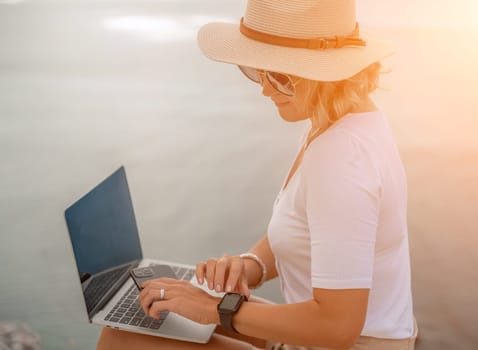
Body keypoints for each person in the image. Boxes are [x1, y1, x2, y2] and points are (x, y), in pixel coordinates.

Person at [97, 0, 418, 349]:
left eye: (279, 76)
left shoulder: (341, 158)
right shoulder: (342, 120)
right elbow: (309, 230)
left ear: (322, 73)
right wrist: (250, 266)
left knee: (122, 339)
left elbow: (336, 326)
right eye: (257, 70)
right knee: (154, 316)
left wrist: (209, 307)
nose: (265, 88)